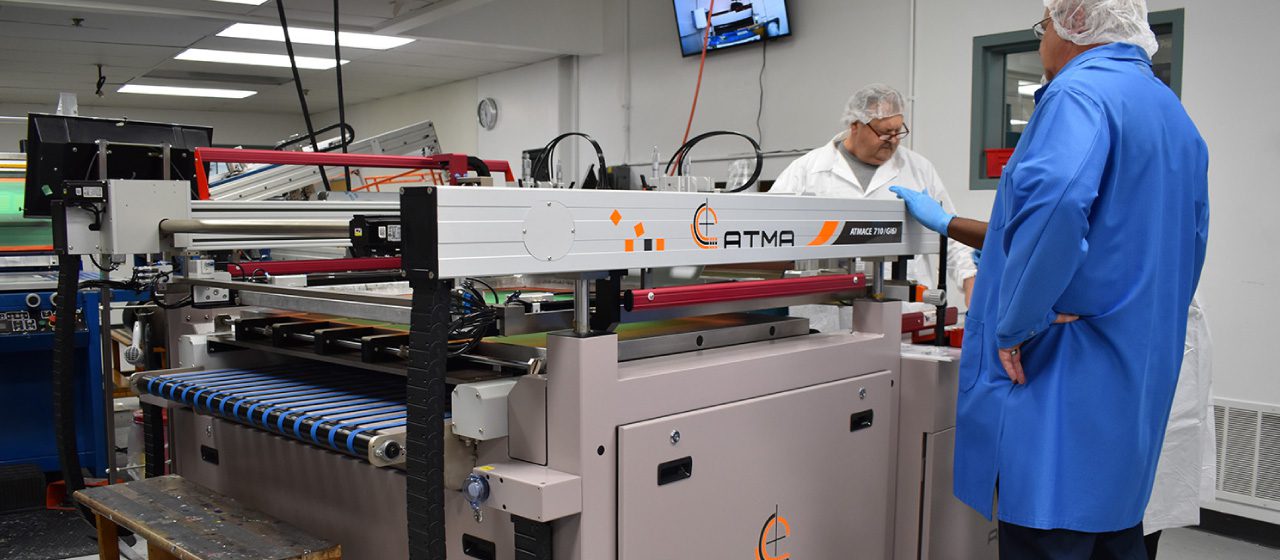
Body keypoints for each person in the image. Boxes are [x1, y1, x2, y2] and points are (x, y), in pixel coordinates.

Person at [894, 1, 1211, 558]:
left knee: (1051, 528)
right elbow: (1190, 241)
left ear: (1077, 24)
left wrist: (1017, 321)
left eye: (1043, 28)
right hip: (1135, 368)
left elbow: (1057, 207)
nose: (1042, 43)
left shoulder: (1076, 95)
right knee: (1113, 531)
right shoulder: (1170, 112)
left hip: (1066, 368)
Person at [771, 84, 976, 305]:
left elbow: (951, 235)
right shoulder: (808, 169)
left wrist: (970, 281)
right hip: (824, 310)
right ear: (855, 125)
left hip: (904, 309)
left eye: (899, 131)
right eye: (885, 132)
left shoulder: (918, 169)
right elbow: (769, 227)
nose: (894, 139)